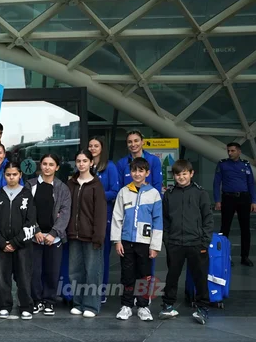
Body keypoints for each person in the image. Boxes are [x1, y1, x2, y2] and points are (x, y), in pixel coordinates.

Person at [160, 159, 213, 325]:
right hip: (175, 243)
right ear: (174, 176)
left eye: (184, 174)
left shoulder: (200, 193)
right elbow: (165, 220)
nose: (181, 177)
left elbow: (208, 219)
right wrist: (167, 240)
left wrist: (204, 242)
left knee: (200, 277)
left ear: (191, 174)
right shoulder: (169, 195)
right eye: (177, 174)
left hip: (197, 243)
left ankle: (202, 308)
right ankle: (168, 305)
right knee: (172, 276)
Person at [111, 157, 163, 322]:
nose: (137, 174)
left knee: (144, 275)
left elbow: (158, 221)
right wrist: (117, 240)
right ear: (130, 172)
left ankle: (143, 306)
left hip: (145, 243)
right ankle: (126, 305)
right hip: (126, 241)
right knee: (127, 274)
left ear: (147, 173)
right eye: (134, 170)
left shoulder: (154, 194)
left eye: (141, 171)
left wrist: (155, 245)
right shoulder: (123, 192)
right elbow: (117, 217)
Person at [0, 160, 36, 320]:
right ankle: (4, 305)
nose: (11, 177)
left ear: (20, 175)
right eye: (8, 175)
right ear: (4, 176)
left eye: (14, 174)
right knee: (2, 276)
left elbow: (31, 221)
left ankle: (26, 306)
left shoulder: (26, 194)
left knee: (24, 276)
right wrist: (2, 242)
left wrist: (16, 242)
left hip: (22, 245)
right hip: (1, 245)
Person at [26, 154, 71, 316]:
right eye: (44, 164)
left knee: (52, 271)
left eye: (51, 164)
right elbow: (27, 211)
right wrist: (36, 230)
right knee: (34, 271)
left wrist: (53, 233)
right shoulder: (30, 185)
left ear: (57, 167)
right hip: (34, 236)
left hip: (54, 238)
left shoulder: (62, 188)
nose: (47, 167)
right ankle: (36, 300)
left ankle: (49, 301)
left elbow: (65, 212)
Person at [66, 149, 107, 318]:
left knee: (93, 271)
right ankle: (78, 302)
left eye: (84, 161)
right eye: (78, 161)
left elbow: (100, 214)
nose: (81, 164)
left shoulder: (96, 185)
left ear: (91, 163)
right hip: (74, 235)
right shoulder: (71, 184)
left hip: (91, 236)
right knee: (75, 271)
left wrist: (98, 236)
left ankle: (91, 305)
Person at [214, 142, 256, 266]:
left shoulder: (245, 164)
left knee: (245, 229)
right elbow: (216, 183)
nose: (230, 153)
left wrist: (253, 201)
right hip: (228, 198)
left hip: (243, 198)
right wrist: (217, 200)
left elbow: (251, 183)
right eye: (228, 151)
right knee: (225, 228)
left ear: (239, 151)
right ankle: (224, 257)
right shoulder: (222, 164)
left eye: (232, 151)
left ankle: (245, 257)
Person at [88, 136, 120, 304]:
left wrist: (97, 197)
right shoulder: (86, 165)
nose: (93, 148)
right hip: (86, 216)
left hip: (104, 215)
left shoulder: (110, 167)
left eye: (96, 146)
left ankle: (101, 292)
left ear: (102, 148)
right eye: (90, 146)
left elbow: (115, 190)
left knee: (102, 255)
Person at [116, 130, 162, 195]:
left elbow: (157, 185)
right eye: (129, 142)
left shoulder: (153, 160)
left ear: (142, 142)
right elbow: (119, 188)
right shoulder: (121, 163)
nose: (133, 144)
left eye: (136, 141)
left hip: (148, 202)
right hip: (128, 202)